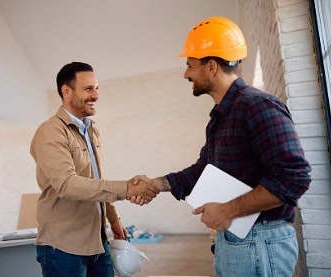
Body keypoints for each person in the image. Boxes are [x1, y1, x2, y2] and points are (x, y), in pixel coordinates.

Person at [132, 16, 311, 276]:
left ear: (211, 67)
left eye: (190, 65)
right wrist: (156, 184)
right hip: (238, 238)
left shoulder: (256, 105)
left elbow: (294, 177)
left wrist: (228, 210)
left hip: (261, 242)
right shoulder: (221, 116)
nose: (186, 74)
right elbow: (203, 170)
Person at [30, 62, 159, 277]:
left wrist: (113, 218)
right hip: (63, 248)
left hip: (98, 242)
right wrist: (126, 188)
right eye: (89, 89)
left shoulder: (91, 130)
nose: (96, 95)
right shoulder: (50, 132)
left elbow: (95, 179)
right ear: (67, 92)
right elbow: (67, 185)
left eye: (97, 88)